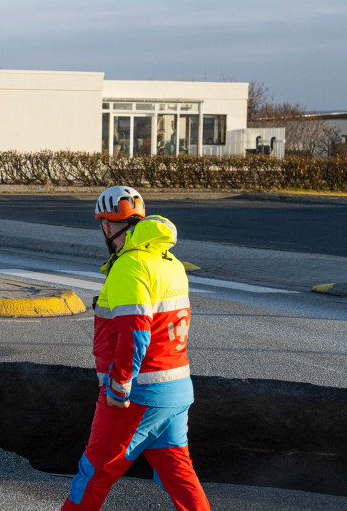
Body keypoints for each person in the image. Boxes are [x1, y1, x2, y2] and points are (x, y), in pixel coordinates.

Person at [61, 186, 209, 510]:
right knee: (180, 476)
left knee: (94, 474)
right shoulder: (170, 263)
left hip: (137, 396)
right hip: (176, 391)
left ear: (107, 226)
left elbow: (136, 333)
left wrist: (118, 387)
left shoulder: (129, 267)